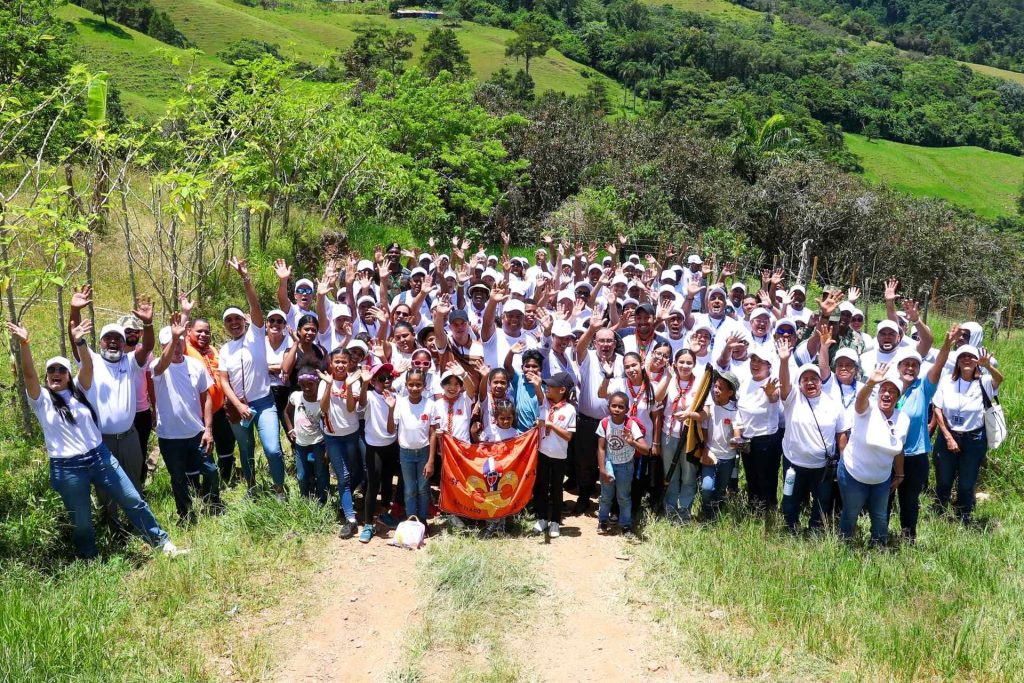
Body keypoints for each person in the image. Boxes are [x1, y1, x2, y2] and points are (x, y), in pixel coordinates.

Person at [7, 320, 187, 559]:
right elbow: (29, 374)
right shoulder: (41, 401)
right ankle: (90, 558)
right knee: (81, 520)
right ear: (47, 377)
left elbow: (88, 365)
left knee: (132, 499)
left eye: (62, 370)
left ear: (70, 376)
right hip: (67, 467)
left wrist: (80, 341)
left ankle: (162, 543)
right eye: (51, 371)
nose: (56, 374)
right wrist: (25, 344)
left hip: (99, 456)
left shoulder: (81, 391)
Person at [68, 285, 155, 531]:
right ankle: (114, 529)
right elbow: (75, 338)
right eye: (109, 338)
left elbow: (147, 347)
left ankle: (137, 526)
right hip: (101, 439)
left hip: (129, 437)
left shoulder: (130, 361)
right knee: (106, 487)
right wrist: (74, 309)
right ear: (101, 342)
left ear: (124, 341)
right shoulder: (91, 361)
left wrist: (148, 324)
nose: (114, 342)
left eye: (118, 338)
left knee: (134, 481)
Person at [218, 257, 287, 497]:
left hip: (264, 402)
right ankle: (251, 487)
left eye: (237, 318)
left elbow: (255, 306)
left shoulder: (256, 335)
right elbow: (223, 381)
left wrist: (246, 279)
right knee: (245, 451)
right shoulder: (225, 350)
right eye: (229, 321)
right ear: (225, 326)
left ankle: (279, 488)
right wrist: (237, 404)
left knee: (272, 449)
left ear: (245, 321)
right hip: (239, 407)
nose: (234, 323)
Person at [151, 314, 221, 525]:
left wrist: (208, 429)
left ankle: (213, 505)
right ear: (163, 346)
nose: (177, 346)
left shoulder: (195, 365)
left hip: (196, 432)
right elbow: (162, 364)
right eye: (170, 343)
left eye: (180, 342)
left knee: (210, 471)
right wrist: (173, 338)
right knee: (178, 478)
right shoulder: (157, 367)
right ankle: (186, 515)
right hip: (170, 436)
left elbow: (206, 397)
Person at [777, 340, 849, 534]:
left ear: (820, 382)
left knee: (821, 500)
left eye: (814, 379)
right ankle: (790, 527)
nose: (810, 382)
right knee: (791, 498)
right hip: (794, 463)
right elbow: (783, 384)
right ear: (799, 384)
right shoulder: (793, 399)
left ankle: (815, 530)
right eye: (805, 379)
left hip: (822, 467)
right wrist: (784, 361)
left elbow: (841, 432)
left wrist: (843, 460)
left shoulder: (833, 403)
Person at [838, 364, 909, 545]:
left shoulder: (903, 419)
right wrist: (870, 383)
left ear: (898, 397)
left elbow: (899, 448)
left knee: (880, 516)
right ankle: (845, 544)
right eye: (883, 390)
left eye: (892, 392)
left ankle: (879, 547)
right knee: (851, 513)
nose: (886, 394)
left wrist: (900, 473)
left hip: (881, 478)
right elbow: (860, 401)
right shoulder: (867, 410)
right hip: (854, 473)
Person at [932, 344, 1003, 524]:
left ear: (976, 361)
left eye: (971, 357)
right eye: (962, 356)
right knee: (944, 477)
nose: (966, 359)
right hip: (949, 435)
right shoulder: (947, 380)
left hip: (974, 438)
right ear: (957, 361)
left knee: (967, 480)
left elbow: (999, 379)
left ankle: (964, 513)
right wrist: (947, 436)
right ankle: (940, 509)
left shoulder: (984, 381)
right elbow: (937, 408)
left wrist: (988, 366)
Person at [184, 307, 237, 484]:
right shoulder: (185, 349)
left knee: (226, 443)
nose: (203, 335)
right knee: (201, 448)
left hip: (220, 408)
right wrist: (185, 313)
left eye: (207, 332)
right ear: (189, 331)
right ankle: (202, 485)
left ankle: (227, 478)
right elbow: (175, 338)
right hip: (197, 413)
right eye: (199, 331)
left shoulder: (214, 350)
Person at [318, 347, 361, 539]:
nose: (340, 365)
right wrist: (328, 386)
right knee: (343, 477)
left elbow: (351, 408)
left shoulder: (354, 382)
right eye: (337, 362)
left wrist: (350, 386)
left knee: (355, 472)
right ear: (331, 364)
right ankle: (350, 519)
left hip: (351, 435)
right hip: (332, 437)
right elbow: (324, 408)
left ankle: (345, 503)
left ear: (349, 363)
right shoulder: (324, 382)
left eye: (344, 361)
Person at [357, 363, 402, 542]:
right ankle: (368, 524)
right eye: (382, 378)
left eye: (389, 377)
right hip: (373, 446)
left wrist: (391, 407)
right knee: (373, 484)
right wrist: (364, 384)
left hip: (390, 445)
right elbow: (360, 406)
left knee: (387, 480)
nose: (386, 381)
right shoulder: (369, 395)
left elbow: (392, 430)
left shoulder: (396, 397)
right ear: (374, 380)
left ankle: (384, 514)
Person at [597, 392, 649, 538]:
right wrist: (602, 469)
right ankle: (603, 521)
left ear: (627, 409)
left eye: (621, 407)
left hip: (626, 466)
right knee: (606, 495)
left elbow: (645, 449)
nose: (617, 409)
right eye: (614, 406)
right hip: (609, 464)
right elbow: (601, 448)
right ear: (608, 407)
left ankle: (626, 524)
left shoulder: (631, 425)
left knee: (623, 496)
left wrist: (632, 441)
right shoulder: (604, 423)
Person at [736, 347, 782, 513]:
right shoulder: (746, 382)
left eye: (760, 361)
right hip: (747, 438)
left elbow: (774, 397)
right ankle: (753, 509)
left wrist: (770, 394)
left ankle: (768, 510)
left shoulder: (772, 382)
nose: (755, 364)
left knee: (766, 478)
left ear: (768, 365)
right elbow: (739, 409)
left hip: (766, 439)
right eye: (753, 360)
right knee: (751, 476)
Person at [661, 348, 704, 522]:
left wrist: (689, 415)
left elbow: (705, 414)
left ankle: (685, 508)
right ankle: (670, 507)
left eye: (689, 363)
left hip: (690, 436)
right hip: (669, 434)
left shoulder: (700, 385)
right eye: (681, 362)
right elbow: (657, 399)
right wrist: (668, 378)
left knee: (688, 473)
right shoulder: (670, 381)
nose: (685, 366)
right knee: (670, 472)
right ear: (675, 363)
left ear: (694, 365)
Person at [533, 372, 576, 538]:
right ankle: (543, 518)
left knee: (556, 489)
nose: (547, 388)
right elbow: (539, 392)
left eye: (551, 386)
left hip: (559, 456)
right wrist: (537, 385)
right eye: (547, 386)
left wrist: (550, 424)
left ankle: (556, 521)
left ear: (562, 390)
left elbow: (568, 436)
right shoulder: (545, 404)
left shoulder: (570, 410)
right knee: (542, 487)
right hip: (543, 453)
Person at [389, 368, 435, 524]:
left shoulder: (430, 404)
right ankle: (410, 519)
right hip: (405, 453)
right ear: (406, 385)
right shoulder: (400, 404)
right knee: (409, 490)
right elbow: (391, 429)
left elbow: (433, 433)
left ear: (424, 385)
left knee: (423, 488)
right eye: (411, 384)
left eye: (418, 384)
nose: (414, 388)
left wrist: (431, 461)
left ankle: (422, 520)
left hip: (424, 452)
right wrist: (390, 408)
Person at [699, 371, 741, 520]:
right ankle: (706, 508)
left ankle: (714, 514)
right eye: (715, 386)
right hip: (710, 454)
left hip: (727, 457)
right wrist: (705, 450)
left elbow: (737, 432)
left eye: (720, 388)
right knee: (706, 487)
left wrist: (737, 440)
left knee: (721, 489)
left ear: (730, 392)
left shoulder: (734, 410)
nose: (716, 390)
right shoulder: (709, 407)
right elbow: (704, 429)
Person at [283, 363, 327, 502]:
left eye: (310, 384)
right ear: (298, 384)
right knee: (301, 475)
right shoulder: (296, 396)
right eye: (303, 384)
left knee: (320, 472)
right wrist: (290, 429)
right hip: (300, 443)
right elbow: (286, 412)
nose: (307, 388)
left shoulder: (322, 402)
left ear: (317, 382)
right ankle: (305, 498)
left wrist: (327, 448)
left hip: (318, 443)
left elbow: (327, 423)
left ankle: (322, 499)